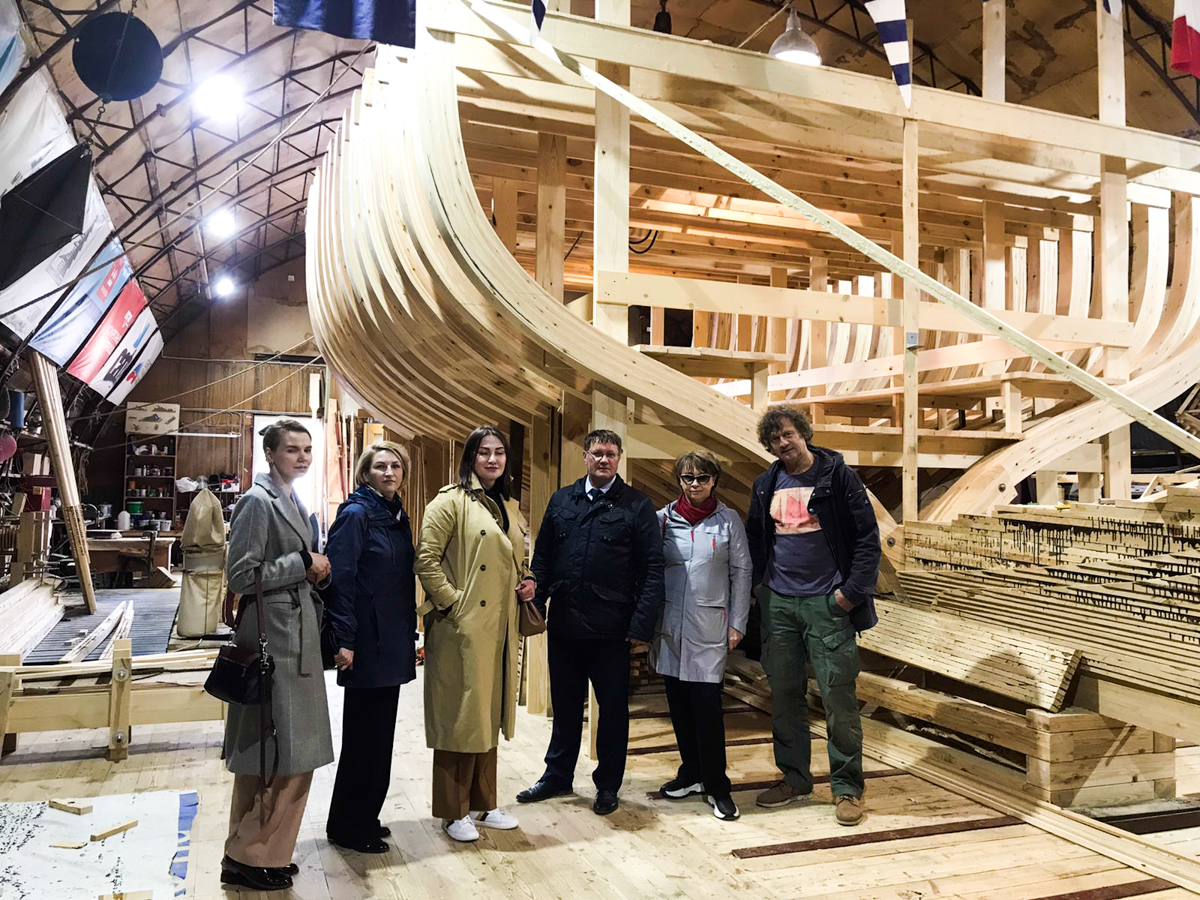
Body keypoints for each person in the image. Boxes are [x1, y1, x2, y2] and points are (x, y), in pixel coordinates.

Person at [745, 407, 881, 827]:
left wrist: (849, 595)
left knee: (838, 699)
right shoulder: (766, 484)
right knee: (784, 695)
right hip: (779, 604)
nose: (782, 443)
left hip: (827, 604)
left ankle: (847, 788)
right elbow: (755, 538)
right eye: (774, 440)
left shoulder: (838, 477)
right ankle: (795, 778)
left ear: (803, 433)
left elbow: (867, 538)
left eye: (788, 434)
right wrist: (761, 588)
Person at [518, 429, 665, 816]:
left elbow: (652, 571)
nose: (604, 460)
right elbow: (544, 557)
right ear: (585, 456)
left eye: (611, 454)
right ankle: (557, 776)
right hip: (565, 623)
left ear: (619, 459)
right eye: (597, 453)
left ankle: (608, 785)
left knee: (613, 710)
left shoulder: (637, 505)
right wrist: (536, 595)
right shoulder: (562, 500)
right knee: (565, 706)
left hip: (612, 629)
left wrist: (640, 627)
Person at [222, 419, 333, 892]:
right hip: (276, 640)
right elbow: (240, 576)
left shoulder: (291, 499)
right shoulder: (257, 501)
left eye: (307, 449)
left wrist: (313, 570)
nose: (302, 457)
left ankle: (254, 852)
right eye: (292, 449)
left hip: (293, 636)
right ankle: (252, 854)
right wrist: (302, 563)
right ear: (270, 454)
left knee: (276, 751)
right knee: (283, 751)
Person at [415, 426, 531, 842]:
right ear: (470, 458)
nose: (493, 460)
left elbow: (517, 557)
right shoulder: (449, 502)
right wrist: (453, 604)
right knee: (459, 718)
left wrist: (529, 579)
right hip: (461, 627)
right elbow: (425, 559)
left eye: (499, 453)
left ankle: (483, 803)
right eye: (484, 453)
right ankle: (453, 811)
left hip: (499, 626)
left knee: (486, 715)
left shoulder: (508, 504)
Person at [323, 441, 417, 854]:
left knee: (380, 737)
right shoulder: (357, 514)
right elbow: (339, 579)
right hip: (364, 641)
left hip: (390, 639)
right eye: (380, 466)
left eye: (395, 466)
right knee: (363, 739)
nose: (389, 472)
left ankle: (366, 816)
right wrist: (344, 639)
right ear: (366, 473)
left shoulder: (395, 515)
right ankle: (347, 826)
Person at [652, 450, 751, 821]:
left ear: (714, 480)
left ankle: (717, 785)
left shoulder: (729, 522)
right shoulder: (663, 520)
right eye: (688, 477)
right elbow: (650, 570)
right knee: (678, 706)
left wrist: (737, 623)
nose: (695, 484)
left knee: (707, 707)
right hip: (670, 627)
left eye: (702, 478)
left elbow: (742, 573)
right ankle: (691, 773)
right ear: (679, 480)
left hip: (710, 625)